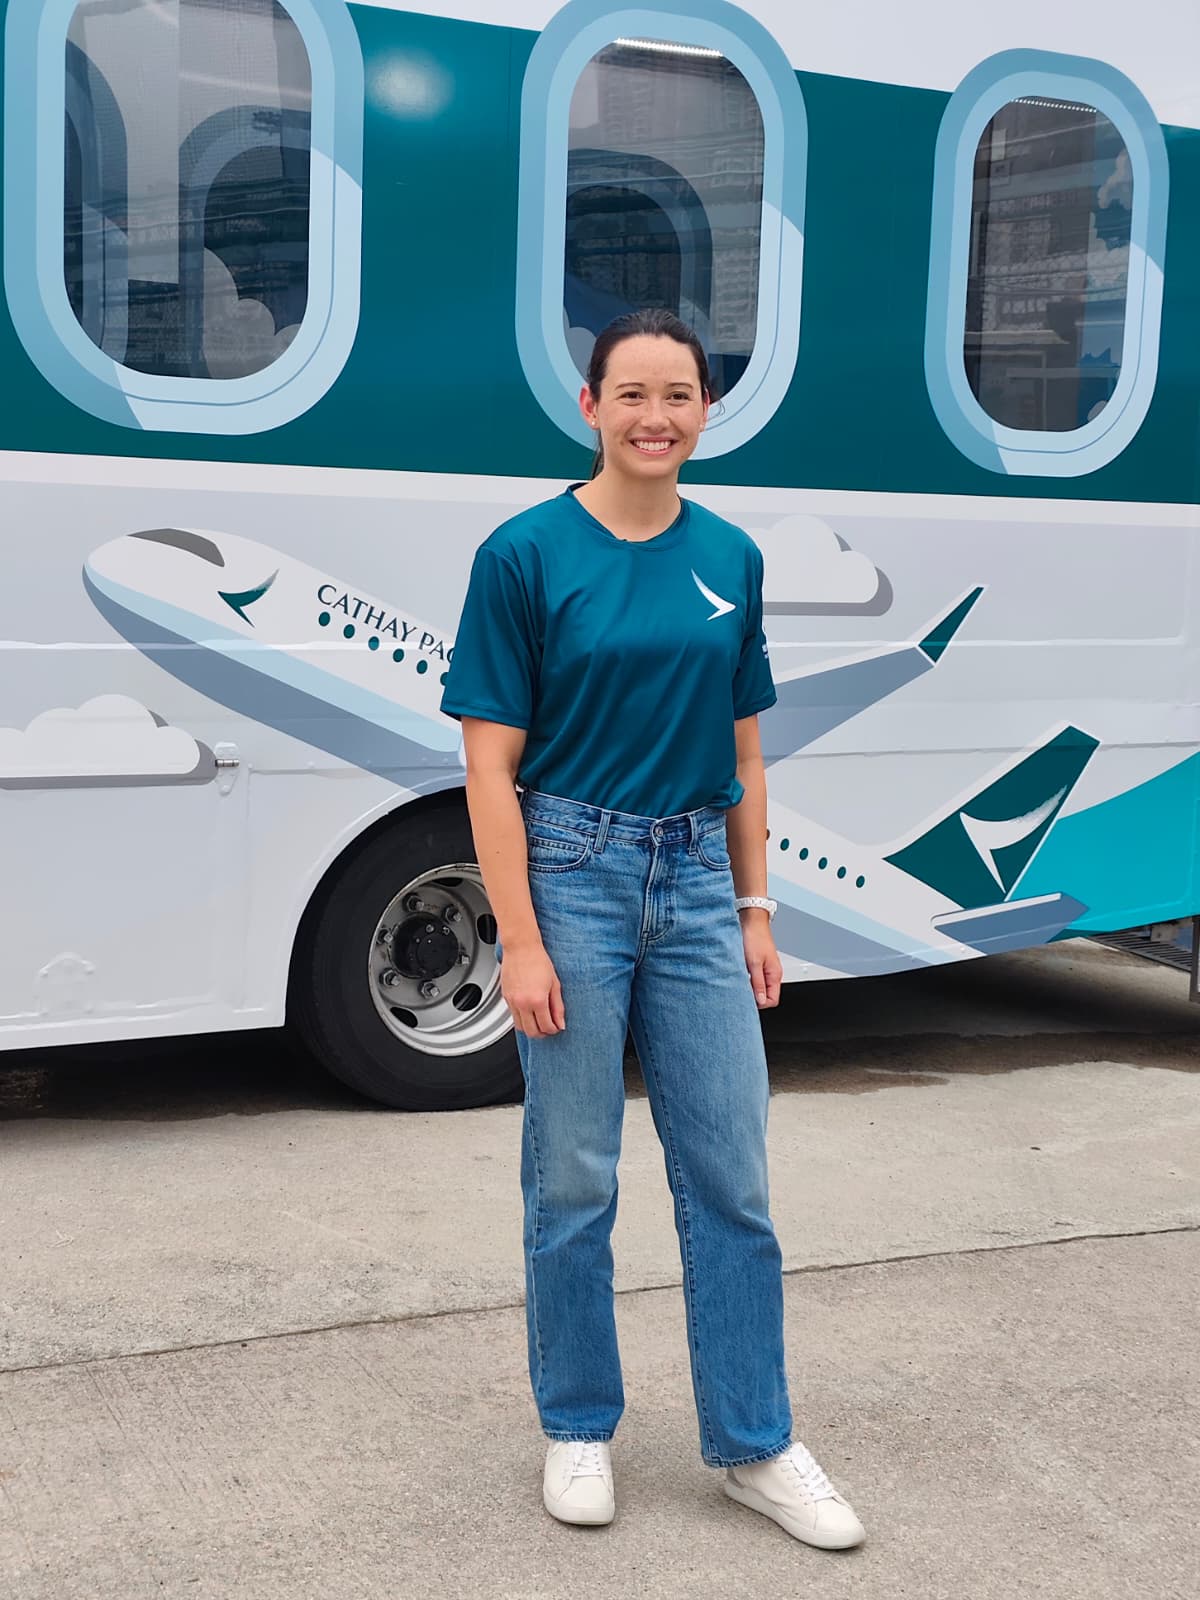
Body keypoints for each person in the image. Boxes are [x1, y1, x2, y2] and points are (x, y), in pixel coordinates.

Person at [440, 309, 865, 1550]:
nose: (655, 416)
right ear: (590, 406)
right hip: (571, 869)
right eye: (631, 393)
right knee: (574, 1173)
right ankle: (578, 1425)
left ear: (705, 410)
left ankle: (754, 1441)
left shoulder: (729, 554)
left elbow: (745, 752)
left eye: (678, 395)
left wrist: (754, 907)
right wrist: (520, 938)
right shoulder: (523, 554)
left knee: (731, 1175)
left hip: (694, 881)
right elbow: (488, 768)